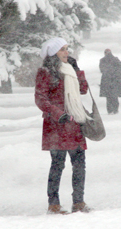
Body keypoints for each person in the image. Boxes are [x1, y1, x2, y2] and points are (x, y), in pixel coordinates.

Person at [34, 37, 92, 215]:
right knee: (58, 164)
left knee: (79, 163)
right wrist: (58, 114)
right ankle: (54, 204)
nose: (67, 52)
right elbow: (40, 99)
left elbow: (82, 89)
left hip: (74, 124)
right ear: (53, 53)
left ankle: (79, 202)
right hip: (57, 126)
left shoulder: (70, 69)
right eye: (62, 50)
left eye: (67, 49)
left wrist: (77, 70)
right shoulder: (45, 72)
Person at [99, 49, 121, 114]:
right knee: (115, 95)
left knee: (108, 96)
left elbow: (101, 70)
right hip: (115, 79)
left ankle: (109, 110)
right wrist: (116, 72)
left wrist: (107, 72)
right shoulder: (115, 59)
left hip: (106, 80)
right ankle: (115, 109)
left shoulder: (102, 60)